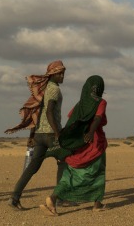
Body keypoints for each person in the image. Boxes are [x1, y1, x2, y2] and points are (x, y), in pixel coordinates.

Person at [40, 76, 108, 216]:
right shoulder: (101, 102)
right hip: (94, 144)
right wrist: (90, 132)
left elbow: (71, 120)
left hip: (78, 145)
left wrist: (68, 142)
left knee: (70, 175)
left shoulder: (80, 104)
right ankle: (97, 204)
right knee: (98, 174)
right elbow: (97, 118)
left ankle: (53, 198)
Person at [6, 60, 67, 211]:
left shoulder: (44, 89)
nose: (63, 76)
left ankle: (14, 198)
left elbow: (37, 114)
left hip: (40, 134)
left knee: (32, 168)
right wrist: (58, 133)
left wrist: (32, 135)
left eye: (63, 73)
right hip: (51, 135)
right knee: (64, 162)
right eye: (60, 73)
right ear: (52, 74)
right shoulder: (54, 90)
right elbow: (48, 112)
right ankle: (60, 198)